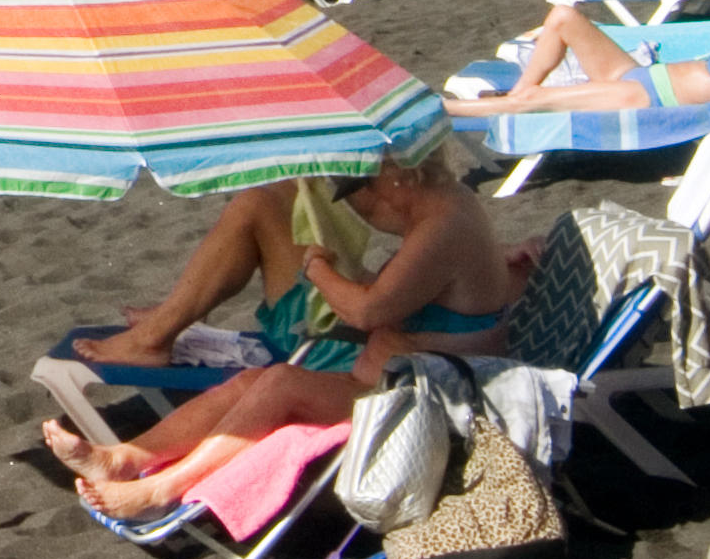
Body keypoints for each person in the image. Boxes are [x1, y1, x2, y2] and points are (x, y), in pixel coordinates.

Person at [44, 151, 521, 518]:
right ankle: (125, 458)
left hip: (416, 402)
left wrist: (318, 269)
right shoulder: (449, 215)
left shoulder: (442, 226)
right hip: (389, 383)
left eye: (359, 190)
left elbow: (366, 311)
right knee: (252, 383)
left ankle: (156, 489)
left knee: (280, 383)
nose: (362, 207)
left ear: (395, 176)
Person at [443, 0, 710, 121]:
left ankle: (450, 109)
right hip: (636, 75)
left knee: (533, 101)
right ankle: (522, 89)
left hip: (644, 97)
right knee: (562, 16)